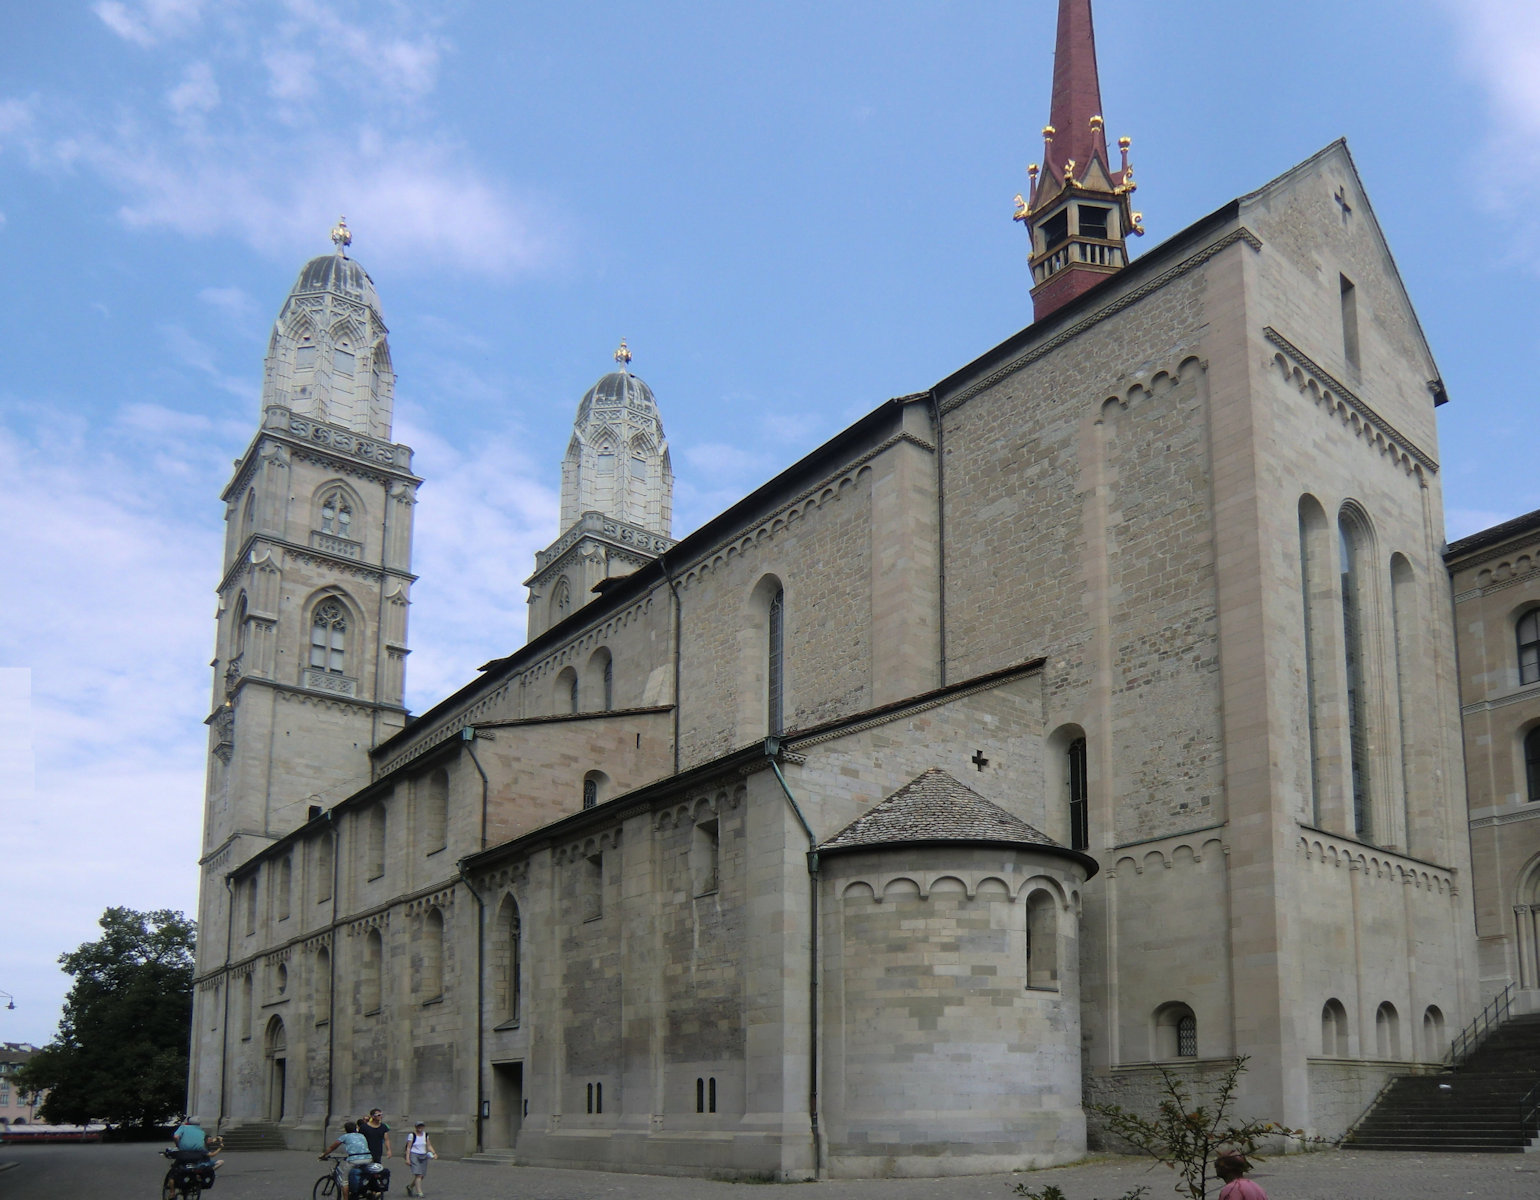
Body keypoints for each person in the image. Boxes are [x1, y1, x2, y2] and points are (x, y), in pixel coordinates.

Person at [321, 1119, 374, 1200]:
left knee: (344, 1181)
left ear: (346, 1130)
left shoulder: (345, 1136)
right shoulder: (361, 1135)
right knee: (364, 1174)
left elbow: (332, 1147)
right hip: (368, 1158)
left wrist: (323, 1155)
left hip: (354, 1159)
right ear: (356, 1128)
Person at [402, 1122, 435, 1197]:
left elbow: (429, 1145)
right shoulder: (412, 1135)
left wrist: (434, 1152)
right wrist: (407, 1159)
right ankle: (419, 1192)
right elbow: (408, 1147)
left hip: (423, 1155)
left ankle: (410, 1187)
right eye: (418, 1126)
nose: (420, 1128)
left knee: (422, 1175)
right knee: (418, 1174)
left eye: (421, 1126)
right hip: (414, 1155)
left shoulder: (425, 1135)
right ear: (415, 1127)